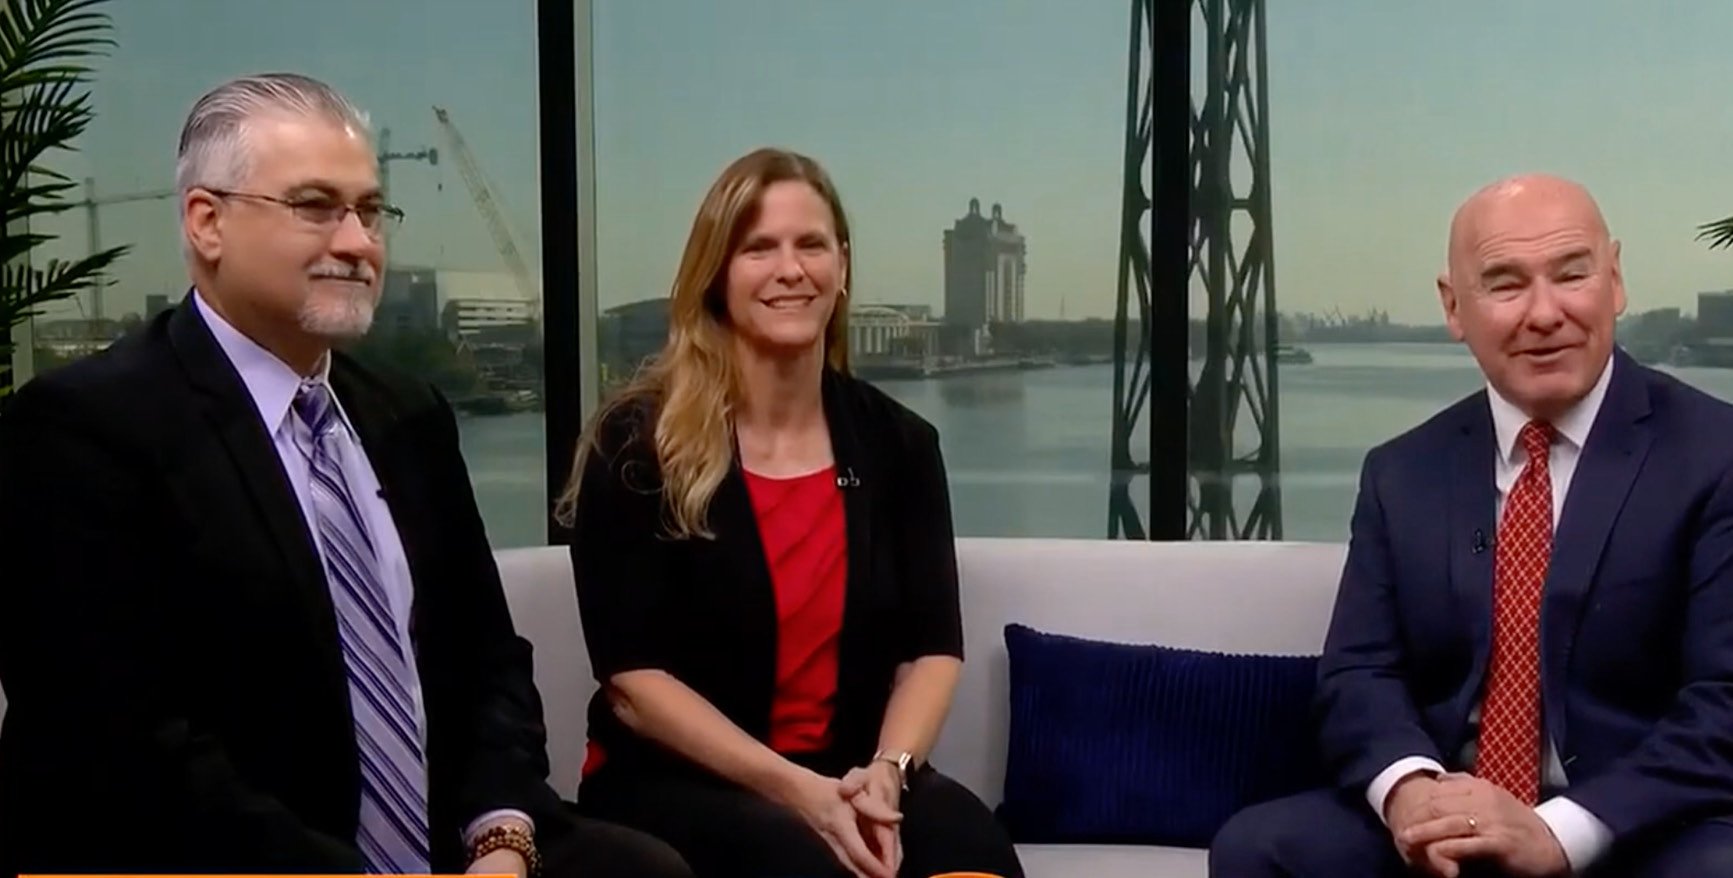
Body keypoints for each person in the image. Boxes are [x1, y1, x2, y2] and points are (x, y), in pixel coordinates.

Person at [0, 73, 691, 878]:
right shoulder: (83, 429)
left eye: (369, 211)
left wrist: (500, 836)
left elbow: (485, 662)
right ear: (206, 222)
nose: (358, 243)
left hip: (450, 847)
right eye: (316, 207)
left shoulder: (407, 414)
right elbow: (119, 743)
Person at [1208, 173, 1733, 877]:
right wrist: (1410, 794)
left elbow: (1722, 703)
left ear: (1615, 280)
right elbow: (1359, 674)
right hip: (1449, 822)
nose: (1544, 313)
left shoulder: (1714, 454)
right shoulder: (1401, 473)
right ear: (1453, 307)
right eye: (1505, 285)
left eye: (1571, 274)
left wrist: (1558, 832)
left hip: (1638, 823)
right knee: (1259, 848)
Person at [556, 147, 1025, 878]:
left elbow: (932, 648)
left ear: (840, 265)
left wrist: (888, 772)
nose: (790, 269)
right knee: (806, 864)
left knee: (976, 854)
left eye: (811, 244)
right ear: (717, 274)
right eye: (758, 248)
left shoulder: (898, 443)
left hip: (852, 769)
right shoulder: (634, 445)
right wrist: (798, 792)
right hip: (678, 781)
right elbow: (634, 682)